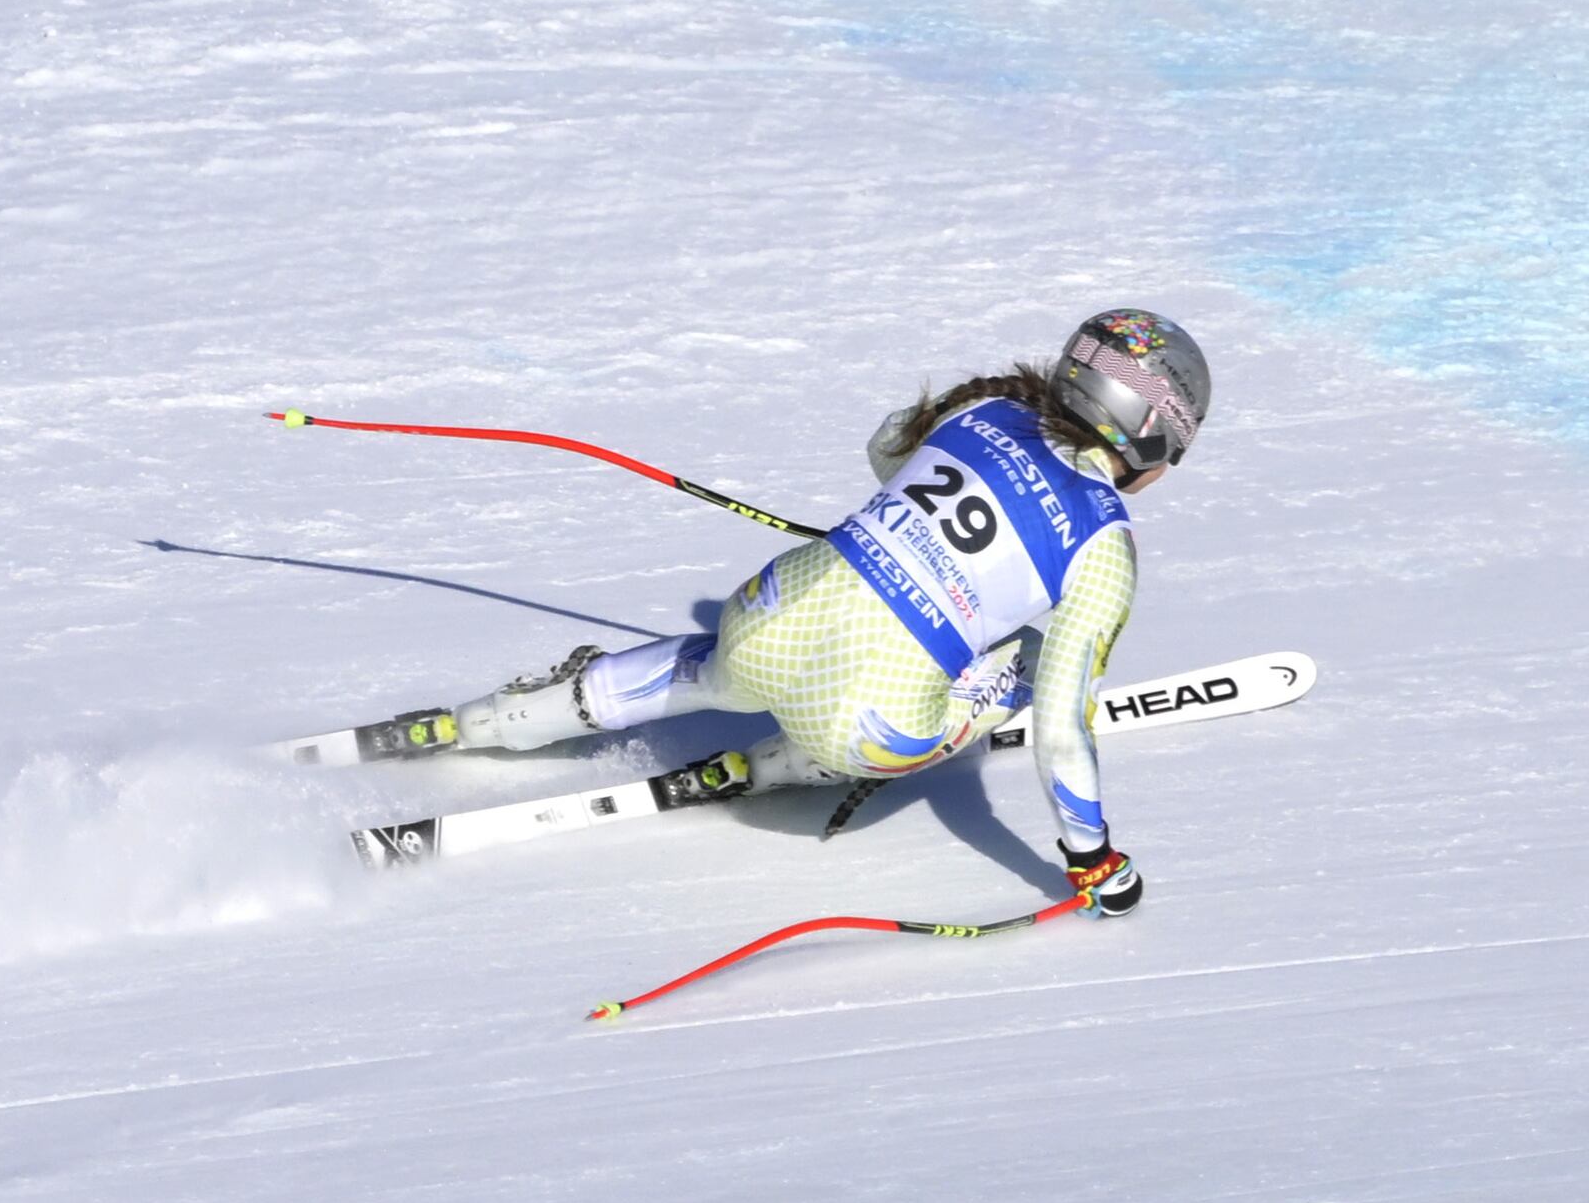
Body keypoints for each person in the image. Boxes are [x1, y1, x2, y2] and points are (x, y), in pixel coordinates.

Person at [373, 307, 1211, 915]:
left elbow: (887, 452)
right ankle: (783, 767)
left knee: (707, 666)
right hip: (862, 726)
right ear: (1147, 438)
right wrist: (1094, 861)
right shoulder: (1106, 547)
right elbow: (1063, 731)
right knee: (1030, 668)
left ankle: (499, 717)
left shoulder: (987, 408)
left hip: (763, 619)